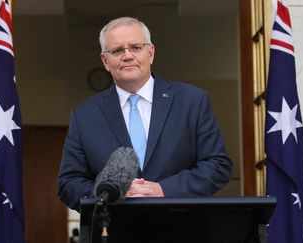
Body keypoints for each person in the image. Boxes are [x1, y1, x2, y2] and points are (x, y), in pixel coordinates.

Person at [57, 17, 232, 211]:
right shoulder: (85, 116)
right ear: (105, 61)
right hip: (115, 230)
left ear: (151, 53)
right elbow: (68, 184)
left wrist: (163, 189)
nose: (127, 56)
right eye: (117, 50)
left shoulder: (192, 101)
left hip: (182, 227)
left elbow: (218, 165)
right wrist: (112, 193)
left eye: (135, 47)